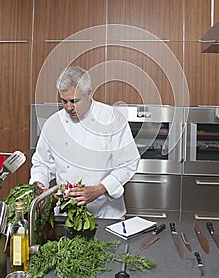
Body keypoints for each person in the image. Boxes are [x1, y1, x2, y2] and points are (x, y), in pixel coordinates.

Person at [30, 66, 140, 218]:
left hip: (106, 215)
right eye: (64, 101)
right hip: (65, 214)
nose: (69, 107)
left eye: (74, 101)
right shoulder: (53, 124)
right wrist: (39, 183)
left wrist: (100, 189)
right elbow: (42, 163)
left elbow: (128, 163)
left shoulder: (112, 118)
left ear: (89, 93)